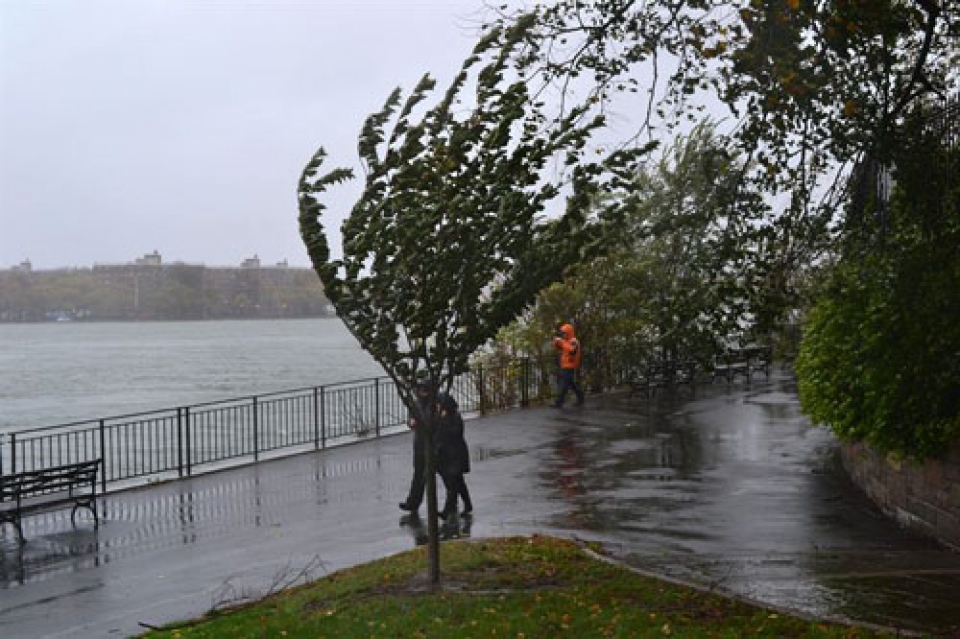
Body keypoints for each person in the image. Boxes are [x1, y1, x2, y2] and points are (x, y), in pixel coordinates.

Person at [434, 392, 473, 519]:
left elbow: (456, 433)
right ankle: (467, 504)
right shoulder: (439, 417)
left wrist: (444, 421)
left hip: (456, 454)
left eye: (439, 404)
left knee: (453, 482)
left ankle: (447, 510)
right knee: (458, 482)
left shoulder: (454, 417)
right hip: (445, 455)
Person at [399, 380, 433, 512]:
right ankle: (412, 503)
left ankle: (453, 503)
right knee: (419, 475)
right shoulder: (416, 404)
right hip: (419, 444)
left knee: (448, 476)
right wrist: (411, 422)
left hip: (432, 444)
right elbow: (411, 418)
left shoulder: (433, 404)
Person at [552, 323, 584, 408]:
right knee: (571, 383)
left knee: (564, 385)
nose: (563, 335)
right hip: (565, 365)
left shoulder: (574, 341)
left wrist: (561, 342)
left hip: (570, 365)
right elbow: (561, 348)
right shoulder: (566, 341)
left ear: (569, 332)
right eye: (562, 333)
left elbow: (572, 351)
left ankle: (559, 403)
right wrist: (556, 343)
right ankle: (581, 398)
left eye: (564, 333)